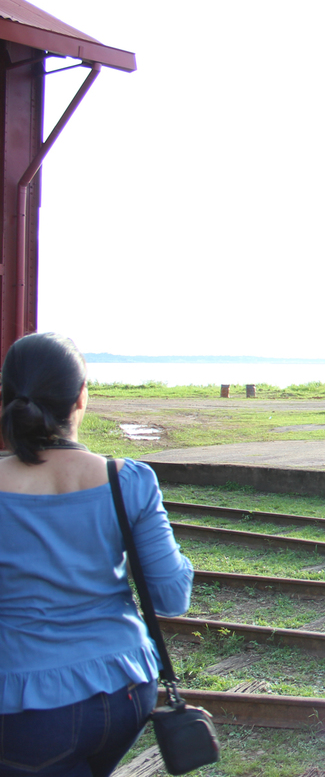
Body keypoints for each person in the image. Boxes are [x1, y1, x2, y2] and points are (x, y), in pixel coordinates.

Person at [0, 332, 194, 776]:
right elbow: (171, 597)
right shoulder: (128, 480)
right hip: (124, 689)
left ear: (7, 398)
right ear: (81, 397)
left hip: (22, 706)